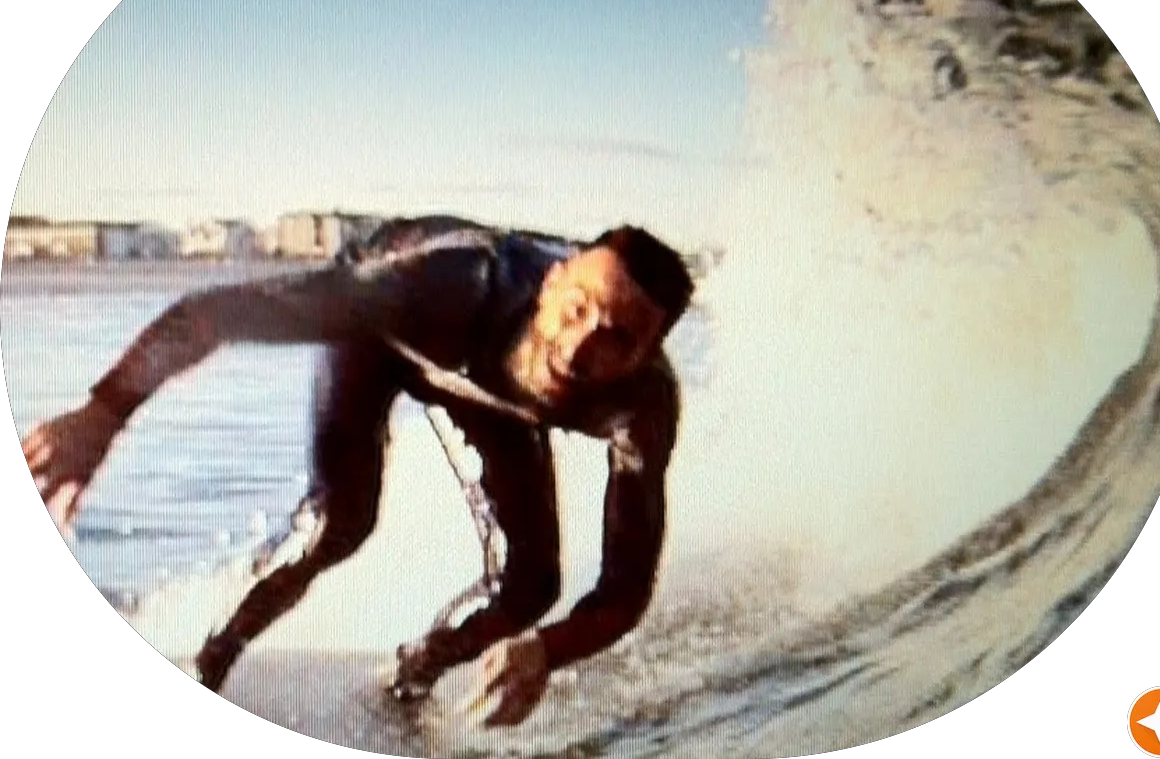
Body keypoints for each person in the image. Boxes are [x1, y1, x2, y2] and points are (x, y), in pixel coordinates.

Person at [24, 214, 695, 727]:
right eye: (576, 311)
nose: (579, 349)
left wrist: (546, 651)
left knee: (532, 588)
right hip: (382, 337)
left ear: (649, 357)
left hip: (486, 397)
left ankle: (403, 690)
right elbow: (214, 315)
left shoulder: (642, 407)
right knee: (341, 524)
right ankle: (209, 659)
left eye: (618, 339)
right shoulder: (437, 284)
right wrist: (104, 412)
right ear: (552, 284)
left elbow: (625, 588)